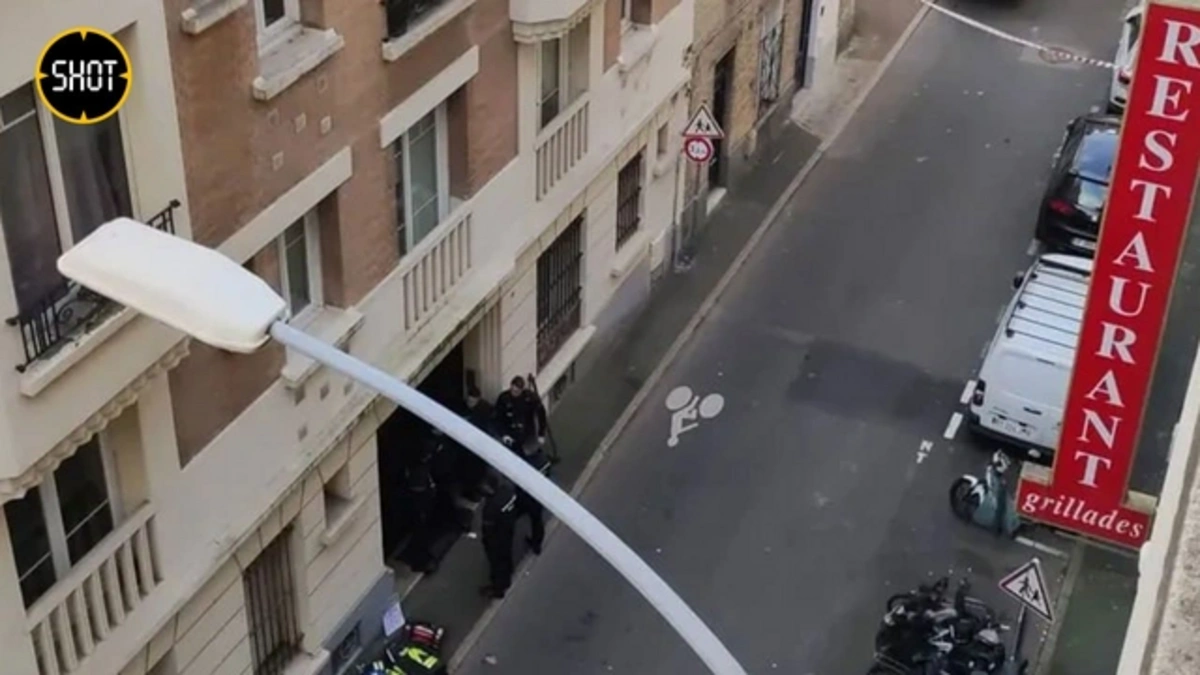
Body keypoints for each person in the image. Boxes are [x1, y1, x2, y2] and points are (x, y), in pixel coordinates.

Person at [479, 473, 518, 599]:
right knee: (506, 554)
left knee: (496, 562)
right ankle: (508, 571)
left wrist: (486, 541)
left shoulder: (490, 507)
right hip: (508, 528)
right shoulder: (507, 492)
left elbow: (488, 528)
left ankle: (498, 588)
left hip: (496, 537)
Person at [458, 385, 493, 501]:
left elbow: (489, 422)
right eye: (469, 400)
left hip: (480, 442)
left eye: (473, 401)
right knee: (468, 470)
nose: (470, 403)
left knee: (479, 467)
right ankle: (469, 492)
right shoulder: (462, 407)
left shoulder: (484, 408)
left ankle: (480, 486)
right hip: (466, 445)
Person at [494, 376, 548, 451]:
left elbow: (541, 413)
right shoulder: (504, 398)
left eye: (517, 391)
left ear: (522, 390)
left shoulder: (529, 398)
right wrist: (503, 434)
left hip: (526, 433)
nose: (514, 393)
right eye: (512, 390)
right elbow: (498, 417)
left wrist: (541, 433)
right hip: (509, 432)